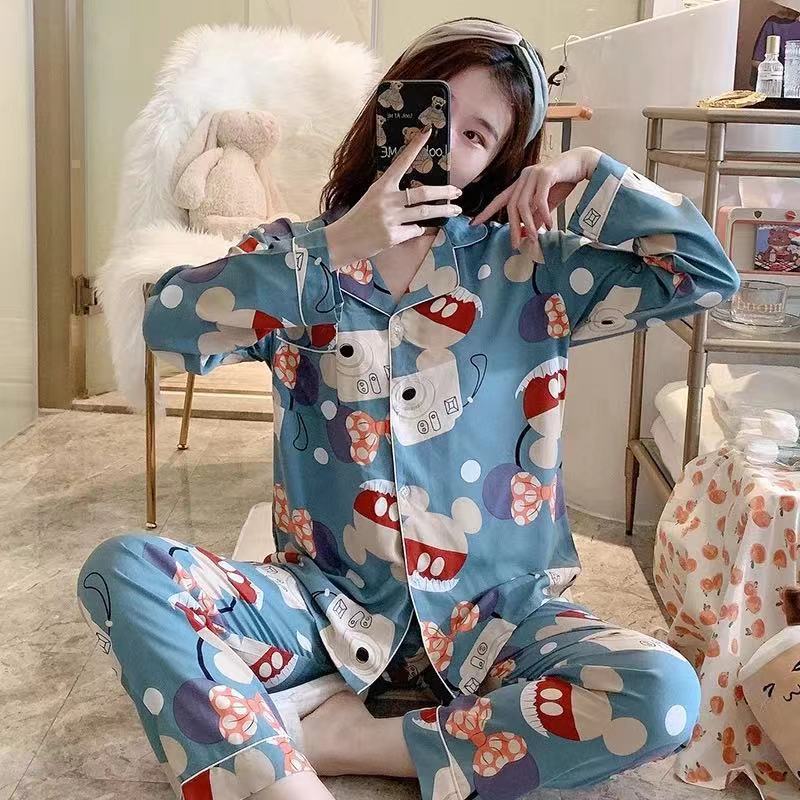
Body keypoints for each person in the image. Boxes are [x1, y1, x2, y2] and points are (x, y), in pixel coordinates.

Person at [77, 16, 740, 800]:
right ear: (386, 107)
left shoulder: (534, 270)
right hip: (323, 614)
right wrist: (335, 247)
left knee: (663, 693)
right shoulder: (298, 254)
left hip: (495, 623)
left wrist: (589, 172)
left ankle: (340, 739)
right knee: (122, 573)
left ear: (496, 163)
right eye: (430, 109)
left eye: (476, 134)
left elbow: (704, 274)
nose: (442, 140)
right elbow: (166, 322)